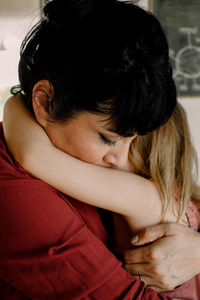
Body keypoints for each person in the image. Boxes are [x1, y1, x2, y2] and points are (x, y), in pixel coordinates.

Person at [0, 0, 199, 298]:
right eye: (107, 138)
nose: (120, 159)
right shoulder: (12, 189)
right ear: (44, 103)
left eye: (132, 140)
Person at [3, 97, 200, 300]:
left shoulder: (143, 195)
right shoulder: (181, 202)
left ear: (148, 153)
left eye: (111, 139)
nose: (113, 155)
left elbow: (37, 155)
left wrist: (14, 104)